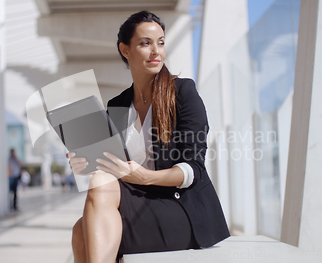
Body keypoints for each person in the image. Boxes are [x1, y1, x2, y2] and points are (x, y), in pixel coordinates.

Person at [67, 11, 229, 263]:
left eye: (161, 42)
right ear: (125, 49)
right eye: (145, 43)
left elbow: (193, 169)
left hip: (182, 208)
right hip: (140, 201)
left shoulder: (183, 92)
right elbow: (114, 165)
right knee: (80, 229)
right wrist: (86, 162)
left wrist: (145, 176)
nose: (156, 51)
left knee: (86, 227)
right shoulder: (117, 105)